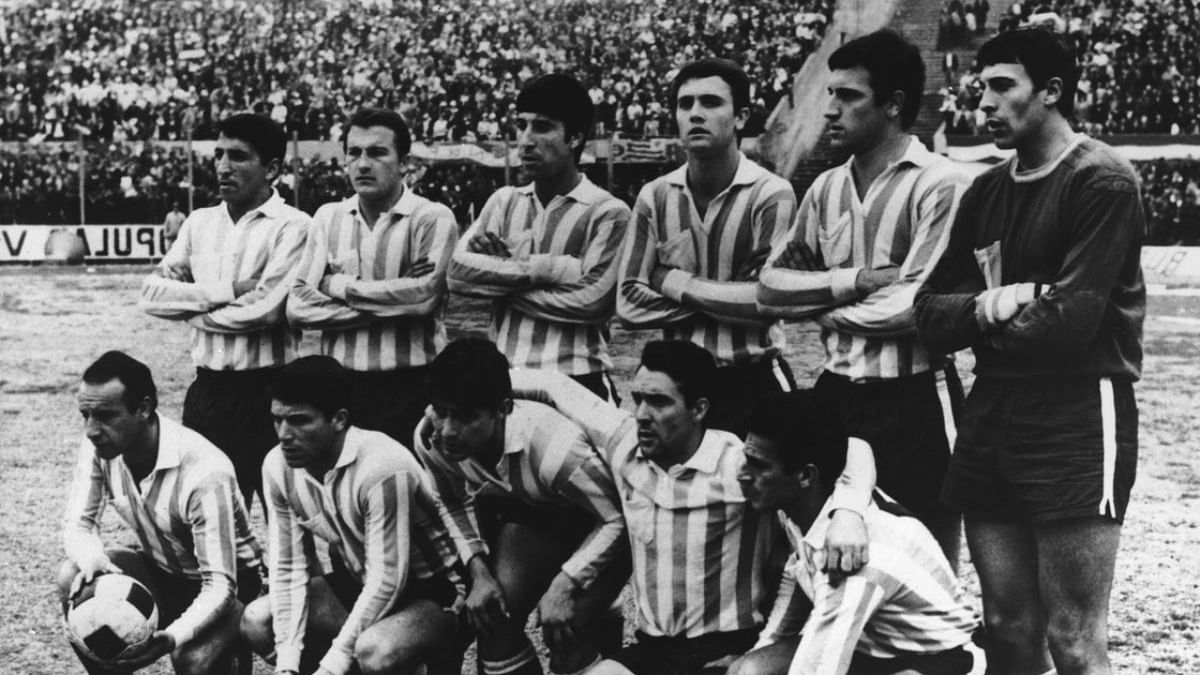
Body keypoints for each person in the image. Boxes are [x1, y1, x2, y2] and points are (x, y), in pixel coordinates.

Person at [914, 29, 1144, 675]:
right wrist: (999, 302)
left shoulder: (1102, 181)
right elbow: (928, 314)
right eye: (978, 87)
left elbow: (1066, 325)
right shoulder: (985, 191)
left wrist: (983, 321)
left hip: (1076, 410)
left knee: (1073, 637)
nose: (982, 102)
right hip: (994, 411)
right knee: (1007, 629)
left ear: (1051, 92)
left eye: (1001, 86)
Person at [757, 30, 971, 568]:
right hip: (835, 394)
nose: (830, 110)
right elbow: (768, 288)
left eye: (847, 96)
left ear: (894, 104)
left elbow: (911, 308)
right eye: (829, 94)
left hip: (915, 396)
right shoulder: (826, 187)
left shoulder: (942, 184)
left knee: (926, 565)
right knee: (831, 559)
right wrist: (852, 281)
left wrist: (818, 306)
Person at [534, 340, 874, 675]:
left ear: (699, 409)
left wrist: (849, 513)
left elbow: (854, 447)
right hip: (653, 650)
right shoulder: (625, 443)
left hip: (727, 647)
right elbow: (552, 385)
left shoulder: (739, 464)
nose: (641, 415)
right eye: (637, 399)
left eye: (658, 402)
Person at [413, 338, 629, 675]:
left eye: (466, 417)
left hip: (609, 526)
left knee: (564, 628)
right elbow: (450, 501)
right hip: (544, 514)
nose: (449, 430)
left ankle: (604, 634)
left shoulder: (555, 447)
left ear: (503, 408)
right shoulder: (431, 437)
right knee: (495, 619)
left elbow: (617, 520)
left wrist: (564, 584)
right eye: (441, 411)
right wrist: (479, 571)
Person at [239, 355, 465, 675]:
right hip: (361, 582)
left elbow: (388, 580)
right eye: (278, 420)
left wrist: (332, 666)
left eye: (300, 420)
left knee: (374, 651)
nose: (284, 434)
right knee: (258, 620)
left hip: (435, 592)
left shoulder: (381, 465)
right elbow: (288, 568)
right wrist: (287, 666)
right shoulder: (277, 465)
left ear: (339, 420)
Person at [728, 392, 980, 675]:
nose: (742, 474)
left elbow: (819, 669)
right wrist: (758, 652)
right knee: (750, 670)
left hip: (936, 659)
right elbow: (797, 573)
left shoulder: (853, 554)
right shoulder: (804, 503)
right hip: (869, 647)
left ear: (806, 476)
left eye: (759, 465)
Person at [617, 58, 797, 438]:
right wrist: (727, 296)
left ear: (741, 117)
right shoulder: (655, 196)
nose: (695, 114)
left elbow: (767, 303)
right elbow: (629, 302)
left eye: (711, 102)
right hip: (675, 388)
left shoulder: (771, 194)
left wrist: (670, 280)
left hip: (750, 379)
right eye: (686, 104)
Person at [139, 113, 311, 511]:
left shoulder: (293, 226)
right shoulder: (198, 223)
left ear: (271, 168)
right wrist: (227, 290)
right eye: (218, 154)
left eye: (237, 156)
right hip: (209, 393)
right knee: (209, 513)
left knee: (282, 513)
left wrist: (192, 310)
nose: (222, 166)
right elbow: (150, 294)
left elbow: (266, 310)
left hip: (271, 393)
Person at [56, 351, 263, 675]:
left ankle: (231, 655)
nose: (91, 430)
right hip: (164, 571)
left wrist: (173, 637)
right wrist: (91, 558)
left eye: (106, 416)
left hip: (234, 587)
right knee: (74, 578)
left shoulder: (205, 470)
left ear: (144, 408)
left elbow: (221, 585)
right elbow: (78, 524)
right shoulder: (100, 446)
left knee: (190, 659)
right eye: (85, 415)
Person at [448, 74, 631, 403]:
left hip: (578, 377)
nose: (526, 140)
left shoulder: (608, 211)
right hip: (507, 377)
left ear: (575, 137)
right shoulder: (504, 201)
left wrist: (500, 279)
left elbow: (592, 302)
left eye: (542, 127)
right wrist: (555, 270)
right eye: (521, 125)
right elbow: (457, 273)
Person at [288, 108, 459, 442]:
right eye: (354, 153)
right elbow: (297, 308)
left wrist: (336, 285)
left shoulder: (431, 218)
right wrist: (395, 303)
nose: (363, 164)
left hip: (413, 382)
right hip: (341, 386)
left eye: (378, 152)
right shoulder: (328, 217)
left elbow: (423, 301)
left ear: (405, 163)